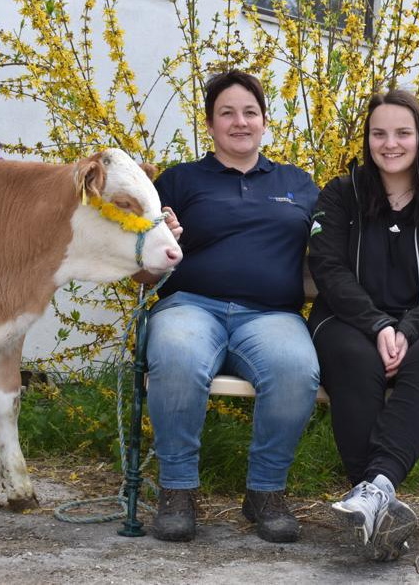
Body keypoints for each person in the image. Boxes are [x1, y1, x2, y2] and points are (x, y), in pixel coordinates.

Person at [137, 70, 320, 544]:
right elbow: (142, 273)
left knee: (296, 368)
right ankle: (177, 490)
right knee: (176, 356)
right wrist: (159, 245)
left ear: (264, 121)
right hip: (191, 306)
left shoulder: (298, 183)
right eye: (227, 113)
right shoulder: (179, 181)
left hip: (273, 314)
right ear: (210, 123)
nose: (240, 122)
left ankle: (266, 492)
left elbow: (327, 260)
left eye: (250, 112)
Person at [307, 89, 419, 561]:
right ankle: (378, 507)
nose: (390, 144)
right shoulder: (342, 194)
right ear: (366, 139)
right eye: (378, 133)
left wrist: (409, 328)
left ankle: (372, 491)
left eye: (402, 132)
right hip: (350, 321)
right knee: (352, 356)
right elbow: (329, 269)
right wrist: (378, 324)